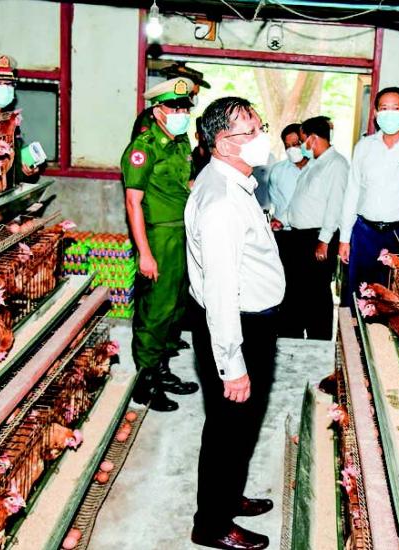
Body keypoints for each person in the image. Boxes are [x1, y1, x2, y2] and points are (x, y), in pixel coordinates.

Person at [185, 97, 284, 550]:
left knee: (239, 426)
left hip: (249, 321)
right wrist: (232, 364)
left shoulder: (231, 181)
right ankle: (212, 524)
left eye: (261, 127)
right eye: (251, 132)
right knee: (229, 430)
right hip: (237, 327)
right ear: (224, 144)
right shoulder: (222, 202)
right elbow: (221, 291)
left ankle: (227, 497)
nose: (262, 138)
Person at [121, 76, 200, 412]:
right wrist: (145, 253)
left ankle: (162, 370)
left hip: (182, 235)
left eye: (184, 108)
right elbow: (133, 203)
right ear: (157, 111)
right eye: (174, 108)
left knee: (175, 308)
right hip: (158, 236)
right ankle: (145, 383)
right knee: (155, 312)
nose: (181, 113)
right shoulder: (143, 148)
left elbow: (186, 184)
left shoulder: (181, 144)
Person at [339, 86, 399, 307]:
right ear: (375, 113)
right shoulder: (364, 147)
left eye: (396, 108)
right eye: (384, 108)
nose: (389, 113)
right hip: (364, 233)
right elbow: (352, 192)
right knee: (359, 296)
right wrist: (344, 237)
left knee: (397, 300)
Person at [284, 116, 348, 339]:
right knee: (298, 291)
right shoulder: (315, 163)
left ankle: (318, 340)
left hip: (318, 237)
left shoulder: (336, 164)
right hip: (300, 237)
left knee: (317, 294)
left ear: (312, 138)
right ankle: (295, 339)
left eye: (302, 140)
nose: (302, 146)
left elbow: (335, 205)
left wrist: (324, 241)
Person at [266, 123, 309, 336]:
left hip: (311, 235)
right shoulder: (278, 172)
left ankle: (318, 337)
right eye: (288, 145)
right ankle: (290, 335)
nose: (293, 149)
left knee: (312, 290)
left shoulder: (319, 169)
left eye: (297, 143)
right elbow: (276, 202)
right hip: (286, 237)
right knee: (288, 288)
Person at [0, 55, 42, 182]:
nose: (4, 88)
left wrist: (27, 171)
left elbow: (12, 166)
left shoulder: (10, 120)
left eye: (8, 84)